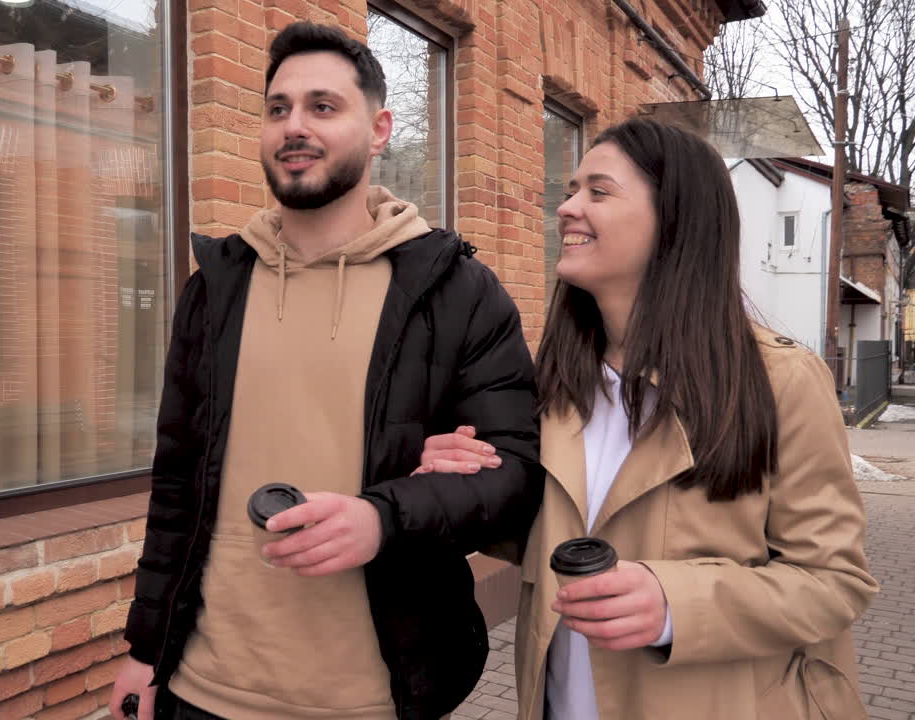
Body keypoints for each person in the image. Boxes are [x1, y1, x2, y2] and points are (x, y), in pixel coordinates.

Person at [108, 20, 543, 720]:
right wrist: (145, 647)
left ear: (378, 130)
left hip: (371, 696)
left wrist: (383, 517)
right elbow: (177, 484)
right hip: (203, 687)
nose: (294, 126)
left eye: (322, 106)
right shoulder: (216, 287)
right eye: (277, 109)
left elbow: (515, 472)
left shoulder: (455, 290)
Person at [416, 117, 878, 719]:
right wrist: (466, 489)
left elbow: (833, 581)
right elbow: (538, 536)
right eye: (570, 190)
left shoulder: (780, 382)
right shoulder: (553, 384)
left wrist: (673, 603)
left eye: (598, 192)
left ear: (675, 221)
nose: (568, 209)